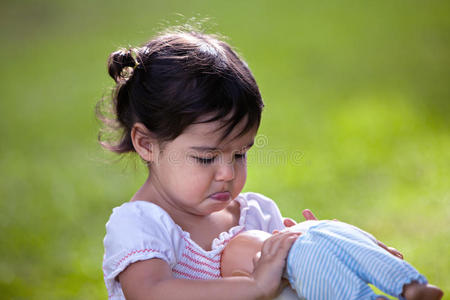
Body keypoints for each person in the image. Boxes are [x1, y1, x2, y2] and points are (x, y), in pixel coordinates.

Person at [100, 29, 402, 300]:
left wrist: (323, 246)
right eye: (206, 157)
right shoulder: (140, 226)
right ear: (147, 144)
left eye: (240, 154)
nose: (228, 173)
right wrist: (254, 288)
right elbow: (150, 292)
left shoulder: (255, 215)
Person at [221, 218, 444, 300]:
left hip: (307, 241)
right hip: (324, 227)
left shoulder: (289, 264)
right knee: (366, 255)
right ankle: (410, 284)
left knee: (335, 287)